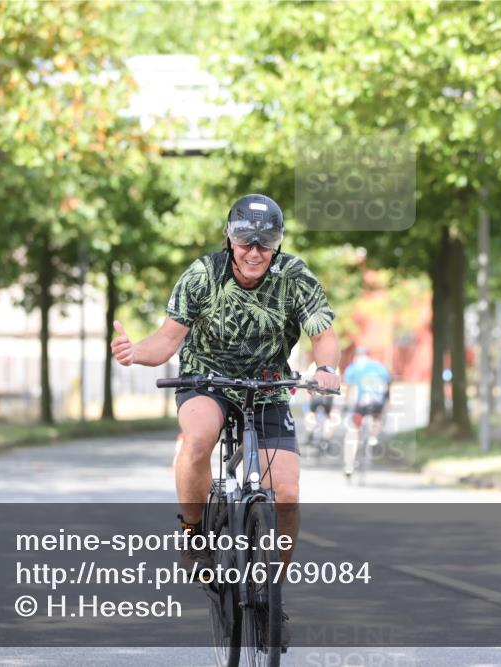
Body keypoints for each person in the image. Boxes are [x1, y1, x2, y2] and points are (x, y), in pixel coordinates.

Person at [110, 194, 340, 642]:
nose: (254, 252)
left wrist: (327, 368)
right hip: (206, 380)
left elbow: (323, 333)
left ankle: (272, 595)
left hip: (269, 386)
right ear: (229, 239)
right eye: (244, 241)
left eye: (265, 242)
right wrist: (137, 353)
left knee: (287, 492)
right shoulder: (202, 275)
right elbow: (167, 338)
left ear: (277, 244)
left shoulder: (294, 276)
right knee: (197, 440)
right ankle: (195, 533)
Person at [342, 346, 392, 477]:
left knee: (352, 430)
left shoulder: (353, 368)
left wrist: (346, 405)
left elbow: (349, 389)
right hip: (378, 402)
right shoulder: (379, 367)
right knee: (378, 417)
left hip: (362, 403)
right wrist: (388, 401)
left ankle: (349, 465)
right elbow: (388, 384)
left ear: (356, 356)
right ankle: (373, 436)